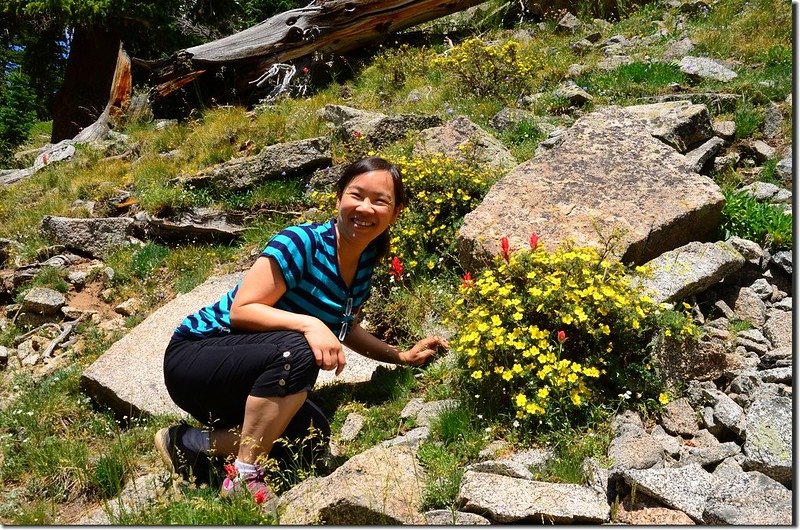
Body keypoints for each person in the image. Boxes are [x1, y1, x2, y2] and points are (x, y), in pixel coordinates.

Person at [155, 156, 449, 504]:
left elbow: (345, 326)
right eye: (356, 195)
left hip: (251, 375)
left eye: (380, 201)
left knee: (312, 435)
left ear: (396, 212)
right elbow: (242, 310)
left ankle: (187, 442)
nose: (365, 208)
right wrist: (310, 325)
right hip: (197, 357)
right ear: (339, 197)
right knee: (298, 349)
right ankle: (244, 476)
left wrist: (400, 356)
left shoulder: (365, 260)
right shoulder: (302, 242)